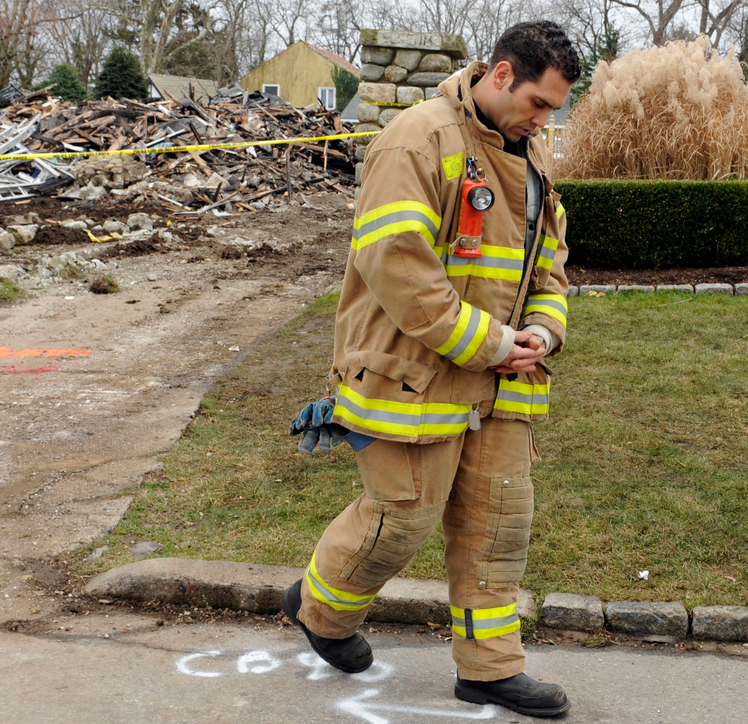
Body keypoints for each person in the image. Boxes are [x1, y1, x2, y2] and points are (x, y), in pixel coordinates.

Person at [282, 21, 579, 718]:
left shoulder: (533, 161)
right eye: (538, 103)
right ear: (500, 74)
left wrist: (541, 330)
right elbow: (398, 266)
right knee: (401, 520)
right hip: (412, 373)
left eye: (553, 112)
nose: (543, 121)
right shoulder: (418, 138)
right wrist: (491, 343)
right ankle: (320, 610)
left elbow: (550, 268)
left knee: (496, 527)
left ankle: (489, 669)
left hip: (503, 378)